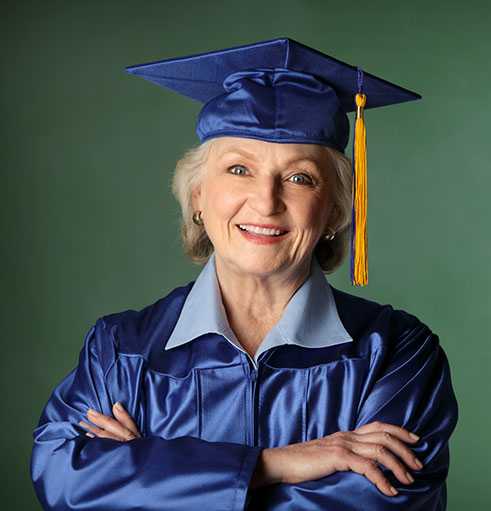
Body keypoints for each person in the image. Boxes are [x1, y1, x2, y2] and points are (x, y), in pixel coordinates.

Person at [30, 37, 459, 510]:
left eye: (300, 178)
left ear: (336, 209)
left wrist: (149, 473)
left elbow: (379, 504)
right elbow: (64, 478)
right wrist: (274, 464)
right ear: (197, 196)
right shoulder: (122, 351)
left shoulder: (395, 355)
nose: (265, 201)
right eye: (238, 169)